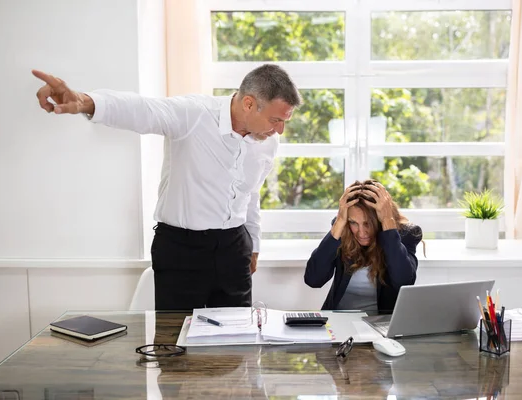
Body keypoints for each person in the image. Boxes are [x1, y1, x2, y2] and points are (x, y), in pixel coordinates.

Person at [32, 64, 301, 310]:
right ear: (249, 104)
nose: (280, 131)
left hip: (234, 248)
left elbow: (250, 193)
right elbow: (142, 110)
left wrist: (253, 244)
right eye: (276, 120)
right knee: (174, 346)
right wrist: (84, 101)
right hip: (182, 249)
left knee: (234, 346)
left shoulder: (267, 142)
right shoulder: (194, 114)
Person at [304, 179, 422, 313]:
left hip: (380, 325)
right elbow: (313, 280)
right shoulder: (343, 229)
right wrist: (340, 222)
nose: (361, 232)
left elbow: (404, 282)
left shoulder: (405, 235)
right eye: (354, 222)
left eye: (367, 223)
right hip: (338, 320)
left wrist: (388, 223)